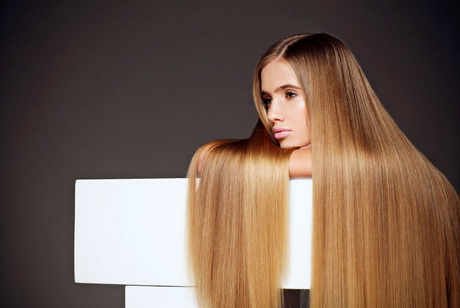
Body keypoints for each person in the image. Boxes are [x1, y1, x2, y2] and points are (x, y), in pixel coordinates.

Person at [187, 33, 459, 308]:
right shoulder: (395, 168)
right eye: (267, 99)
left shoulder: (394, 170)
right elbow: (207, 157)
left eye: (290, 94)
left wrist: (300, 161)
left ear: (332, 95)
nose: (272, 115)